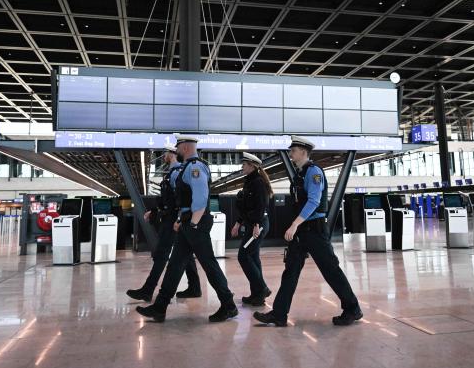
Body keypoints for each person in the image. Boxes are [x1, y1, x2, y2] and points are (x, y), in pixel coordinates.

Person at [253, 136, 362, 327]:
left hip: (314, 230)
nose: (291, 153)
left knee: (330, 270)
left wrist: (294, 224)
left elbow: (313, 201)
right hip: (302, 231)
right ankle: (279, 314)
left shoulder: (314, 172)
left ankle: (353, 308)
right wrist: (297, 226)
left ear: (303, 151)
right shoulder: (300, 174)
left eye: (293, 150)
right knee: (290, 271)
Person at [137, 135, 238, 323]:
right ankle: (160, 307)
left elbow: (200, 200)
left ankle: (228, 305)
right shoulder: (189, 167)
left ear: (184, 148)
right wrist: (183, 221)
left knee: (209, 264)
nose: (177, 149)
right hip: (188, 222)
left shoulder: (195, 168)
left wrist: (192, 224)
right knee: (175, 265)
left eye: (179, 147)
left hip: (195, 223)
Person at [126, 144, 201, 302]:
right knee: (185, 254)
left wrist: (179, 218)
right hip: (174, 219)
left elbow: (178, 201)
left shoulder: (176, 173)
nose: (164, 156)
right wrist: (154, 212)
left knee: (162, 255)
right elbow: (168, 201)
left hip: (173, 221)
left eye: (165, 153)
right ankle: (195, 287)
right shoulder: (173, 172)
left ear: (172, 154)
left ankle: (148, 290)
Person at [230, 152, 272, 306]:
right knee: (253, 257)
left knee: (244, 256)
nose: (242, 167)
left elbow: (261, 206)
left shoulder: (258, 182)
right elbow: (247, 207)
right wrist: (238, 223)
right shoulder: (249, 181)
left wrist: (256, 225)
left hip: (258, 225)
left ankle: (262, 288)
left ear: (251, 166)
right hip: (253, 224)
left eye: (244, 164)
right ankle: (257, 295)